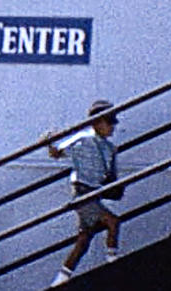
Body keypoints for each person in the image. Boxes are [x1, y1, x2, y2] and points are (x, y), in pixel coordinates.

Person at [47, 100, 122, 287]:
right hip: (82, 193)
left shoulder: (109, 148)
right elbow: (57, 152)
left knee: (84, 240)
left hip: (94, 194)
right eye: (108, 122)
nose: (112, 127)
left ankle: (61, 279)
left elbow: (110, 174)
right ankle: (113, 263)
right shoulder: (83, 139)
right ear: (96, 123)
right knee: (112, 221)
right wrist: (50, 142)